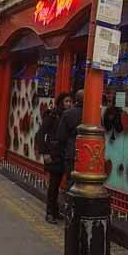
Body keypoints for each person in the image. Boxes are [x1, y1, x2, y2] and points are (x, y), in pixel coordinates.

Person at [36, 92, 72, 223]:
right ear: (61, 102)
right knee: (53, 185)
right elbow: (40, 134)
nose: (69, 104)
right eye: (67, 101)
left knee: (57, 185)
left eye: (70, 101)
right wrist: (44, 153)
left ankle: (55, 211)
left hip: (62, 154)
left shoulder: (67, 116)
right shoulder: (52, 115)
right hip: (52, 154)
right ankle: (49, 212)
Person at [55, 89, 84, 183]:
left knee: (71, 180)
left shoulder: (68, 113)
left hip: (71, 151)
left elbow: (61, 135)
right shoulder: (93, 113)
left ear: (76, 99)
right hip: (88, 152)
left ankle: (69, 197)